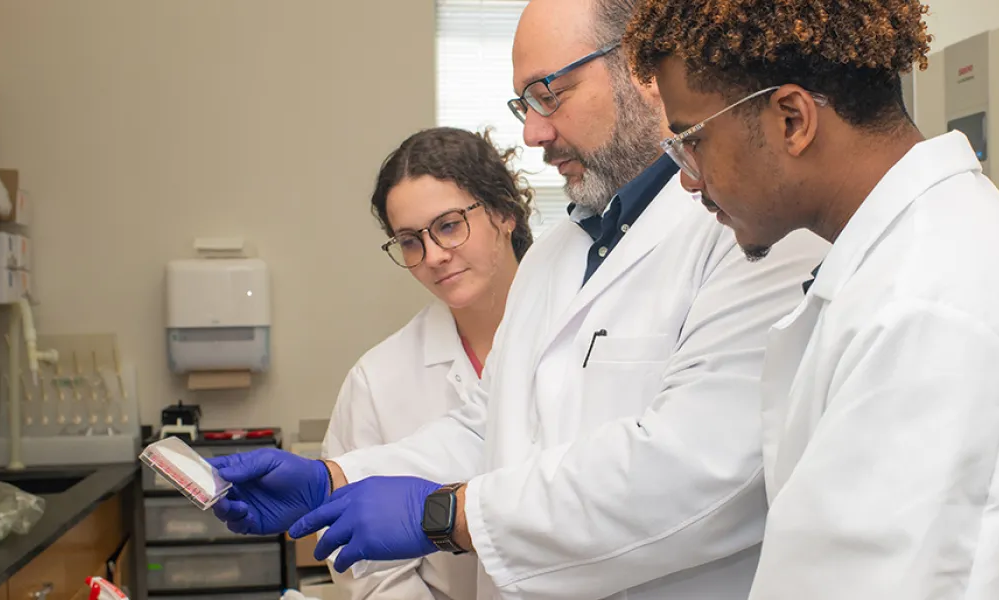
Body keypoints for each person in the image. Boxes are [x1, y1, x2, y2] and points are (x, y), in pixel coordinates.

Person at [206, 0, 829, 599]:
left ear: (641, 68)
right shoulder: (557, 257)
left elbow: (703, 471)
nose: (533, 132)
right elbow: (491, 426)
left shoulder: (752, 227)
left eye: (548, 94)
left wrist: (446, 514)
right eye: (524, 104)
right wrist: (334, 479)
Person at [624, 1, 999, 598]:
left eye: (693, 141)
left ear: (792, 119)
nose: (688, 177)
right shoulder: (909, 267)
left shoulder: (929, 307)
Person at [320, 127, 535, 600]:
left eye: (450, 224)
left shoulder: (581, 331)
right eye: (410, 241)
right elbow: (369, 568)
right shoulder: (377, 381)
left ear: (503, 212)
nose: (433, 255)